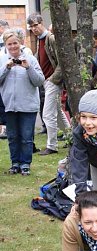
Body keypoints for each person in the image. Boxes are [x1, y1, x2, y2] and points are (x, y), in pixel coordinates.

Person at [0, 29, 44, 175]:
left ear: (21, 43)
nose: (13, 47)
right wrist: (6, 68)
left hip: (28, 105)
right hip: (9, 106)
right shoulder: (2, 59)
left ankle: (25, 163)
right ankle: (15, 163)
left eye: (15, 43)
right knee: (12, 137)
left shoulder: (30, 59)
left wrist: (28, 68)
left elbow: (39, 81)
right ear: (5, 45)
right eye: (9, 44)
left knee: (26, 137)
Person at [27, 13, 70, 155]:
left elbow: (61, 61)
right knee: (58, 113)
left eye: (35, 25)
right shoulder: (39, 40)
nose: (34, 28)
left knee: (47, 114)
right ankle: (73, 139)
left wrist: (52, 79)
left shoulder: (50, 38)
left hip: (52, 80)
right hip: (45, 81)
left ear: (41, 23)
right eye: (31, 26)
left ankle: (52, 145)